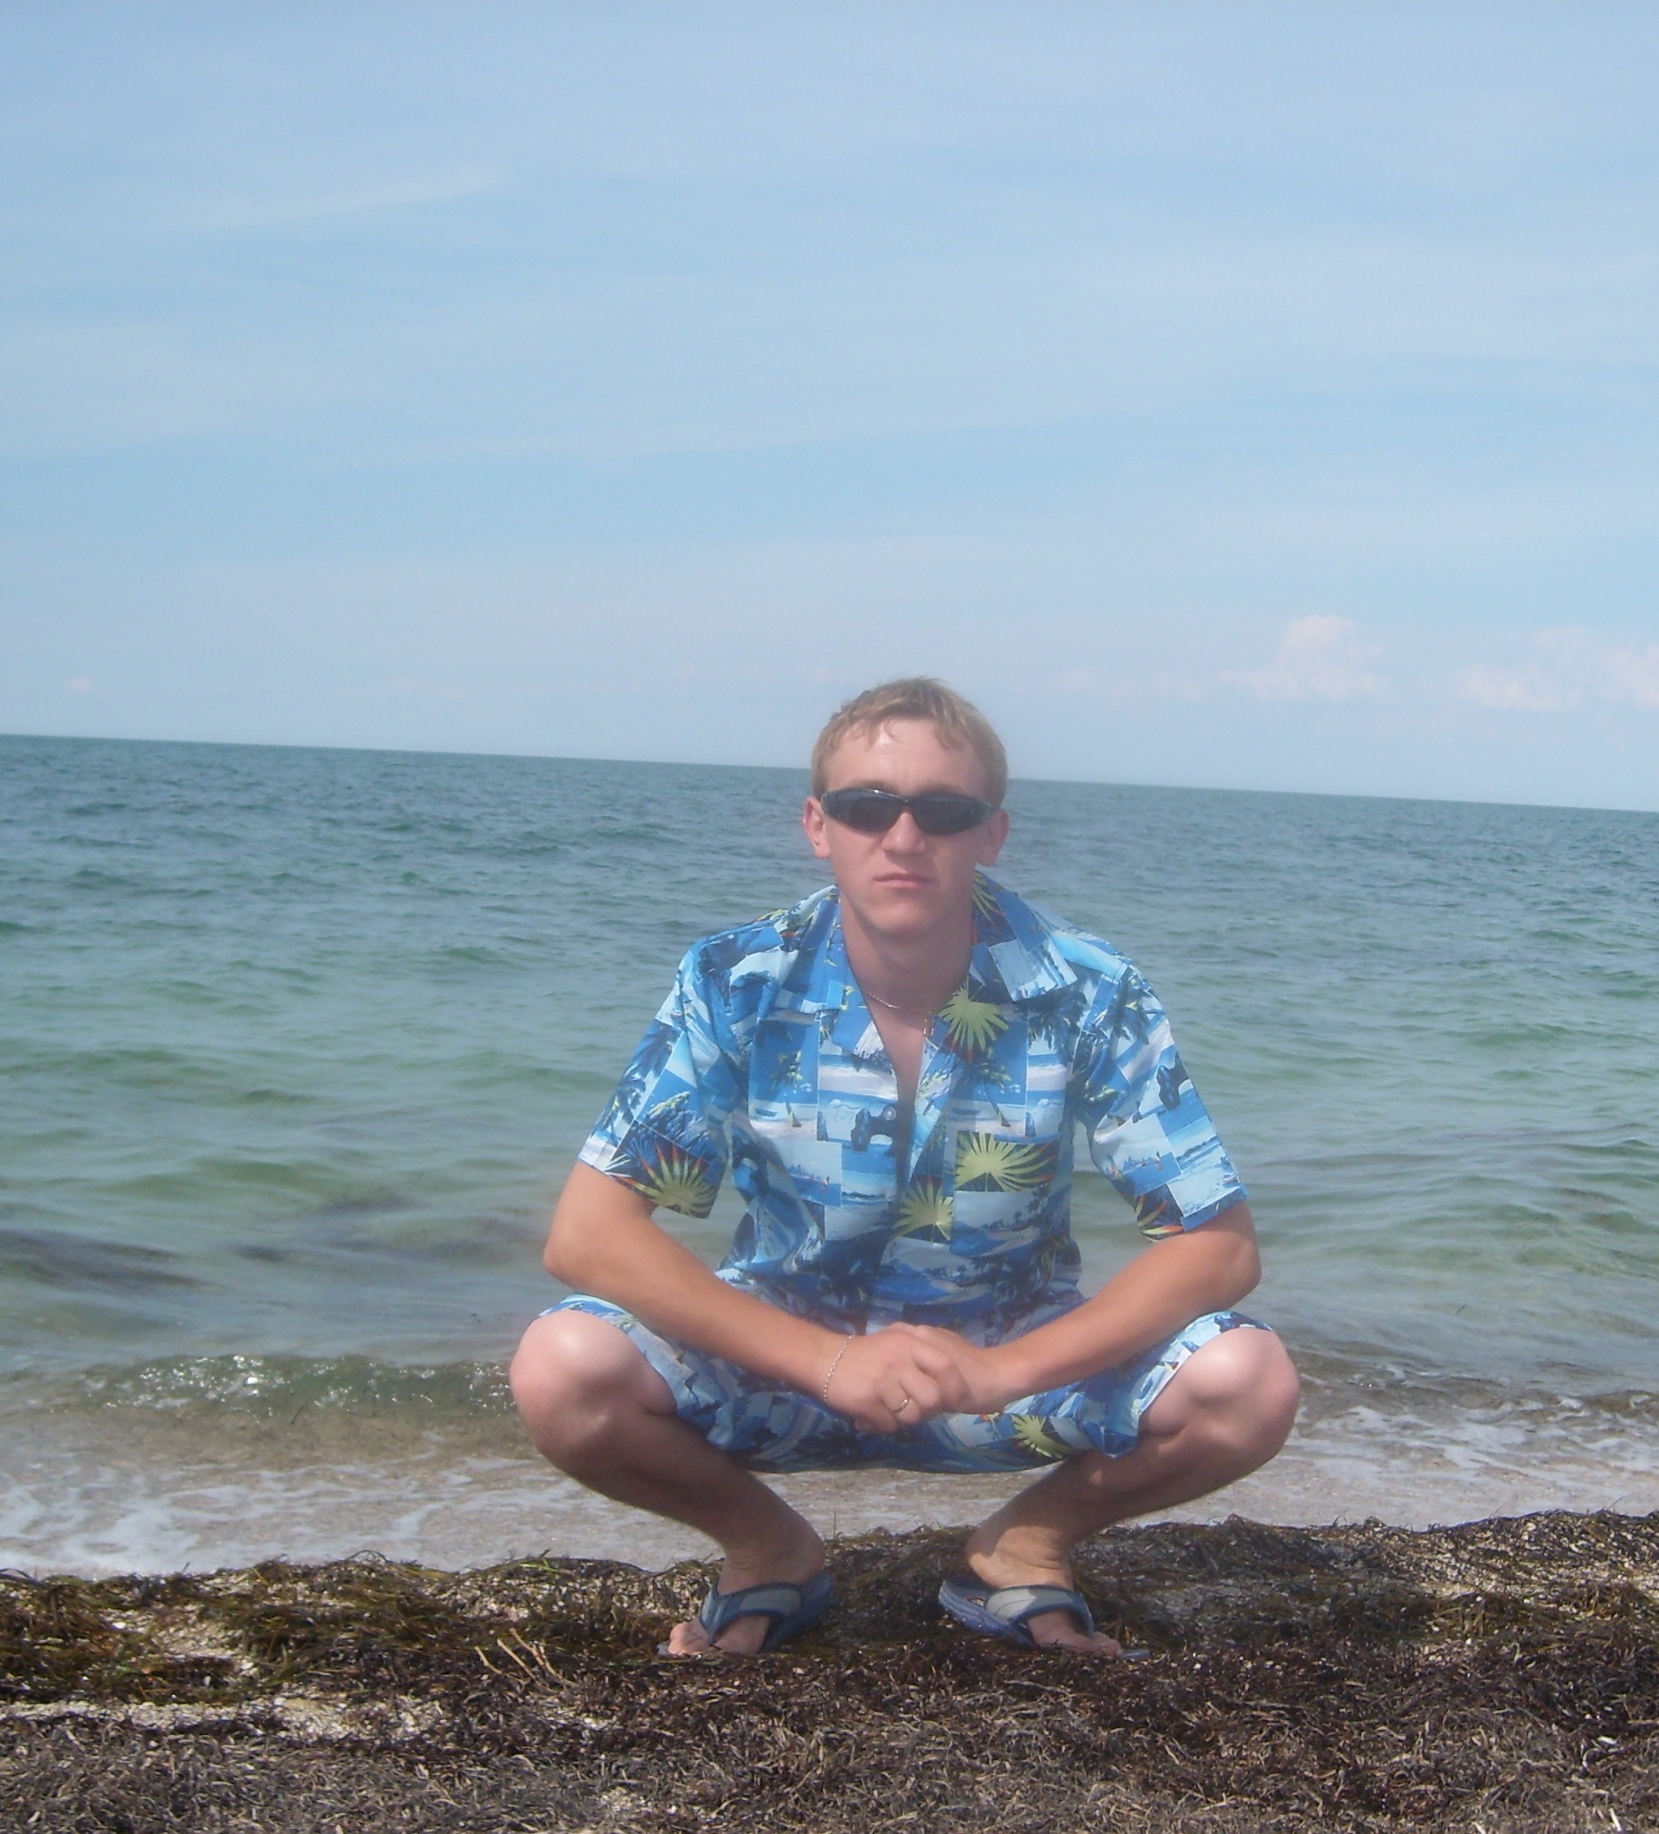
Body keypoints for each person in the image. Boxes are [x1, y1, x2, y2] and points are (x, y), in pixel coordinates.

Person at [510, 678, 1299, 1656]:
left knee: (1247, 1382)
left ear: (991, 834)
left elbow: (1218, 1248)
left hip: (1005, 1378)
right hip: (780, 1371)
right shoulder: (736, 979)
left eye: (943, 811)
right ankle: (767, 1550)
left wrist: (998, 1370)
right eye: (867, 805)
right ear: (818, 824)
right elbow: (587, 1234)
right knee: (563, 1368)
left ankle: (1024, 1548)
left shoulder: (1088, 989)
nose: (903, 835)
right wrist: (829, 1362)